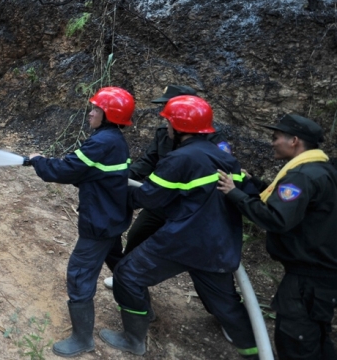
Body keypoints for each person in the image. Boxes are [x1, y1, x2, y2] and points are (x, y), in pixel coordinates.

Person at [99, 96, 259, 358]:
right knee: (227, 303)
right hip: (220, 245)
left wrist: (112, 190)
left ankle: (133, 338)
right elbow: (242, 195)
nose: (167, 128)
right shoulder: (226, 159)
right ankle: (255, 352)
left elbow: (148, 197)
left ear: (177, 127)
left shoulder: (179, 159)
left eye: (168, 123)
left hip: (184, 240)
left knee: (126, 275)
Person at [217, 113, 337, 360]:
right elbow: (294, 207)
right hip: (321, 277)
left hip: (307, 280)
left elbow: (276, 218)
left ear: (294, 140)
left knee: (297, 342)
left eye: (275, 138)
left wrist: (233, 193)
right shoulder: (322, 170)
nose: (272, 143)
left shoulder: (302, 175)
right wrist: (257, 185)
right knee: (316, 337)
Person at [27, 87, 134, 357]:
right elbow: (90, 173)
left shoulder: (102, 142)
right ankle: (141, 316)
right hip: (113, 217)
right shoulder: (115, 139)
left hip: (98, 222)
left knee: (79, 274)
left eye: (96, 109)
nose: (91, 112)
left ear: (108, 115)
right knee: (122, 268)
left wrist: (39, 161)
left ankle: (82, 339)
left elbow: (66, 170)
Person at [103, 84, 231, 290]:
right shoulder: (164, 132)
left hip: (191, 209)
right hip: (161, 199)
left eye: (169, 106)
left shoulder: (213, 142)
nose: (164, 114)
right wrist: (120, 179)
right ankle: (126, 279)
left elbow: (222, 177)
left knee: (198, 262)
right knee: (137, 234)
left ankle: (222, 308)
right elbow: (148, 160)